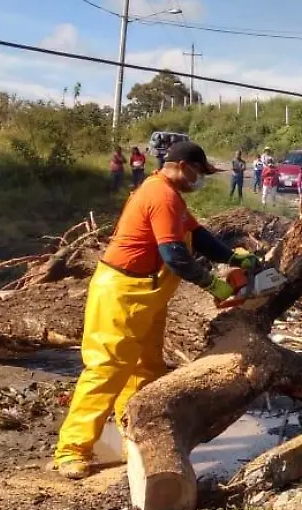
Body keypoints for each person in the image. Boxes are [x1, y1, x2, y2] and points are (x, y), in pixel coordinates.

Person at [49, 141, 259, 480]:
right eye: (199, 172)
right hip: (122, 290)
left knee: (145, 370)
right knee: (106, 369)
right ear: (183, 165)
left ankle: (132, 438)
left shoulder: (172, 197)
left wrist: (232, 257)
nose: (200, 179)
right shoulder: (160, 195)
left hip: (148, 293)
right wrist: (213, 285)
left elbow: (198, 237)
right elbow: (175, 256)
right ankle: (72, 449)